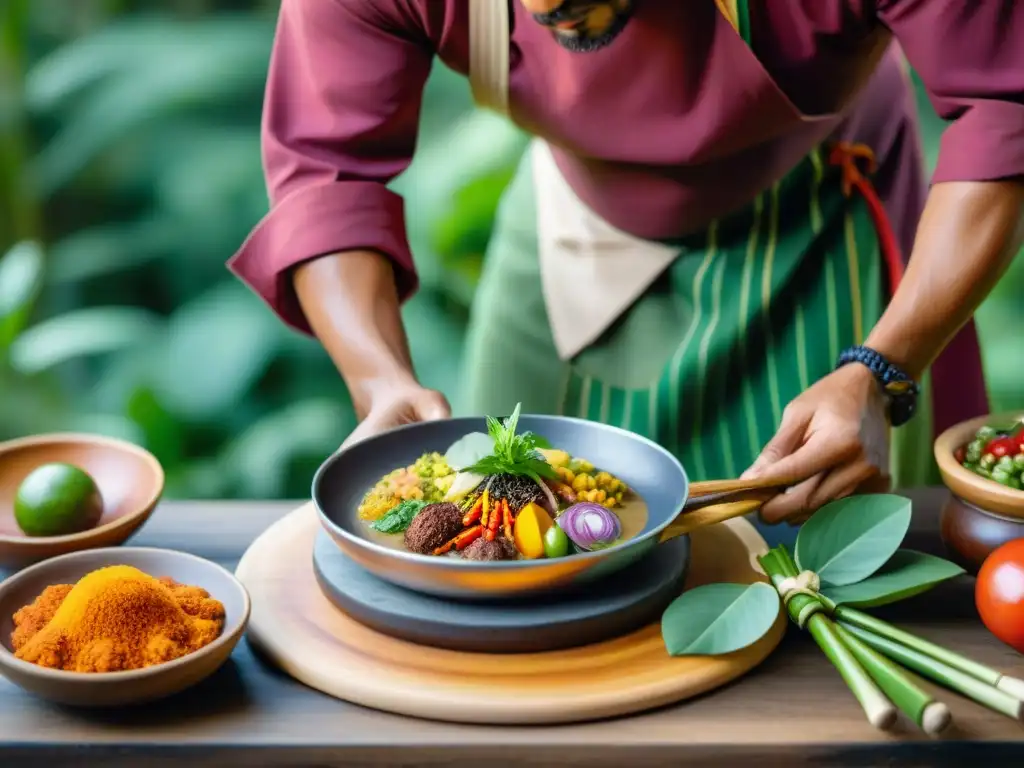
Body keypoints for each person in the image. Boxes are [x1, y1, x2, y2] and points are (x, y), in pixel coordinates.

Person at [230, 0, 1023, 534]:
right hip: (564, 229)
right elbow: (327, 169)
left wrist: (881, 369)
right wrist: (380, 381)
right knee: (506, 543)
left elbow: (1005, 106)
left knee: (820, 567)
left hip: (824, 212)